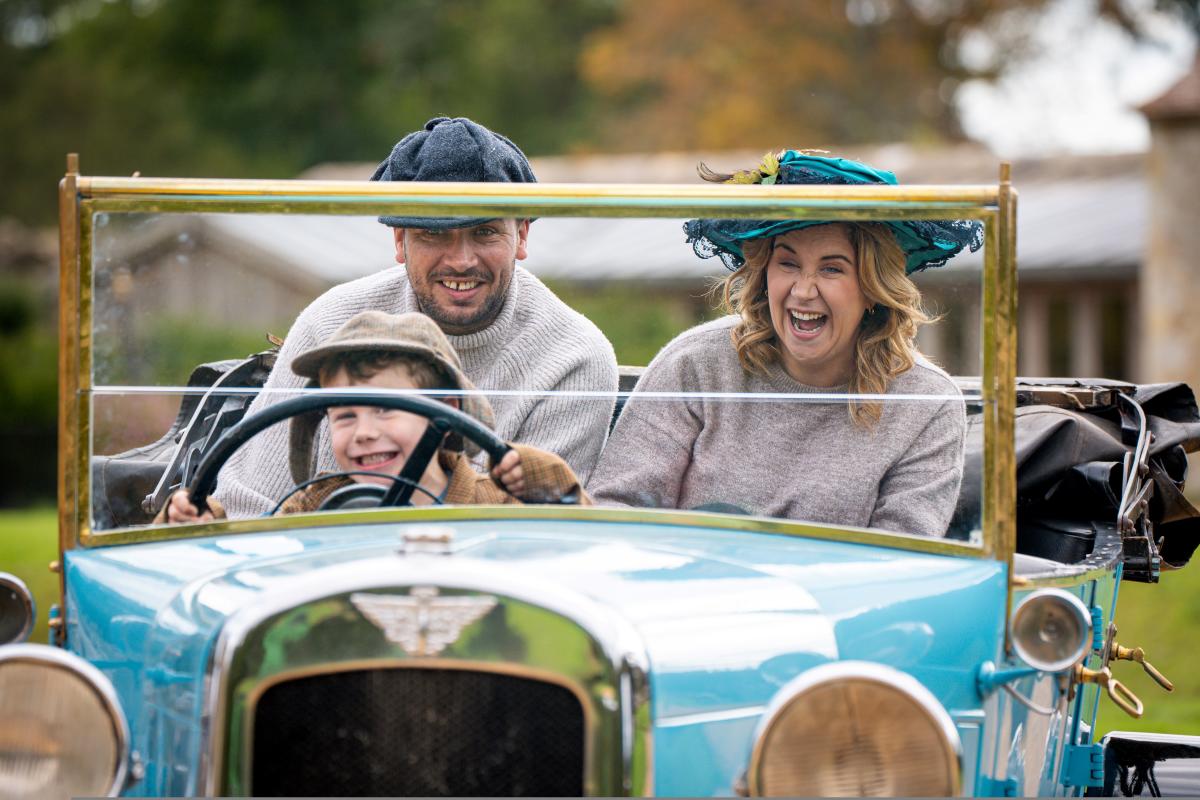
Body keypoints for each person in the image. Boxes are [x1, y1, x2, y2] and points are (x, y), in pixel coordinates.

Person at [214, 117, 617, 518]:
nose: (461, 261)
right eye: (434, 234)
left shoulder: (576, 357)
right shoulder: (329, 324)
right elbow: (246, 508)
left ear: (522, 235)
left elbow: (540, 531)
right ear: (399, 241)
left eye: (486, 232)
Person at [588, 150, 982, 537]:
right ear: (763, 273)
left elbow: (903, 565)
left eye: (832, 268)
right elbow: (615, 507)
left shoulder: (926, 403)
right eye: (788, 264)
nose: (803, 290)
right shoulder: (696, 362)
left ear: (874, 287)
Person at [161, 311, 589, 523]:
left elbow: (580, 542)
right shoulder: (312, 509)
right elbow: (257, 575)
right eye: (344, 416)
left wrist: (546, 481)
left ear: (445, 413)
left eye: (386, 409)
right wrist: (200, 526)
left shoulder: (497, 505)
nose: (364, 433)